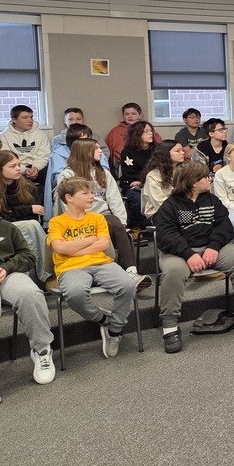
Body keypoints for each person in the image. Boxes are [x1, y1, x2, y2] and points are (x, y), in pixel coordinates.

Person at [153, 161, 234, 351]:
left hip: (212, 247)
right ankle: (170, 328)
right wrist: (188, 254)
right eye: (205, 177)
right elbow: (167, 235)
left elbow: (224, 226)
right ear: (192, 182)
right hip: (180, 252)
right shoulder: (170, 206)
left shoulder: (212, 200)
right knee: (173, 272)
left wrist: (213, 247)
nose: (210, 179)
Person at [47, 177, 137, 359]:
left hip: (101, 263)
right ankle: (103, 319)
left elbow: (103, 245)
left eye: (91, 192)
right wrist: (89, 240)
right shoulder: (57, 222)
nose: (91, 196)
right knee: (75, 294)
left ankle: (114, 330)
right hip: (70, 268)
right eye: (85, 193)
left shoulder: (98, 219)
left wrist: (73, 247)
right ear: (69, 198)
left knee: (128, 286)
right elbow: (59, 248)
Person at [58, 138, 148, 288]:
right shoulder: (68, 175)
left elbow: (115, 199)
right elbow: (66, 204)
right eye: (96, 149)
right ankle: (124, 275)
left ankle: (131, 273)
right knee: (111, 223)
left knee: (115, 222)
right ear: (84, 152)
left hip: (104, 216)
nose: (101, 151)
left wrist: (123, 222)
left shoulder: (103, 173)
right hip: (80, 220)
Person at [0, 198, 56, 395]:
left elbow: (28, 257)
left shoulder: (7, 227)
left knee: (31, 294)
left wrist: (6, 268)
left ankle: (42, 350)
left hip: (8, 274)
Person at [0, 149, 51, 280]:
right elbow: (2, 218)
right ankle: (47, 275)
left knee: (33, 226)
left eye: (18, 164)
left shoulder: (28, 186)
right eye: (12, 166)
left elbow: (35, 214)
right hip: (3, 227)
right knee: (31, 226)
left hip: (25, 224)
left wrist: (24, 211)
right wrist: (27, 209)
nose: (18, 169)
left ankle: (43, 274)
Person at [0, 105, 51, 192]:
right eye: (25, 117)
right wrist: (24, 170)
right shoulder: (3, 137)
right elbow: (6, 159)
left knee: (51, 175)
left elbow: (44, 155)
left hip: (37, 168)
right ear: (14, 120)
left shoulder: (40, 134)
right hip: (16, 168)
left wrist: (36, 168)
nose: (30, 120)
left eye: (31, 117)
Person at [119, 121, 157, 227]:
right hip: (133, 184)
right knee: (137, 199)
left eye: (151, 131)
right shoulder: (127, 152)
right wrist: (141, 183)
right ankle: (138, 228)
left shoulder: (156, 150)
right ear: (137, 134)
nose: (151, 133)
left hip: (154, 183)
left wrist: (145, 182)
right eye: (146, 131)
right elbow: (128, 174)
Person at [141, 140, 186, 220]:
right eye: (177, 151)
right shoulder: (153, 176)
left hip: (184, 210)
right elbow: (159, 202)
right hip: (160, 212)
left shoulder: (185, 171)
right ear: (166, 154)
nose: (182, 153)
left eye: (182, 150)